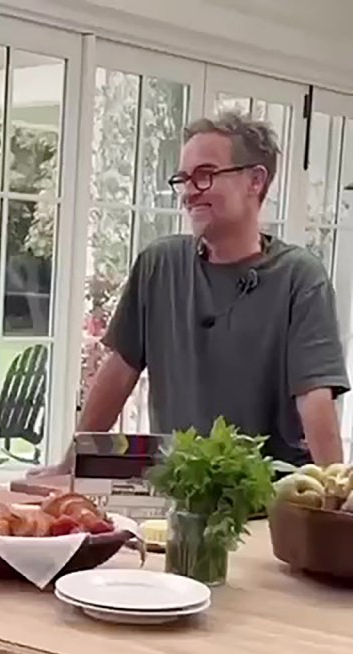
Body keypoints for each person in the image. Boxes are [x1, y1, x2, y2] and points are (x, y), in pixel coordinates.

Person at [35, 111, 349, 477]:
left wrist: (335, 497)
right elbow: (119, 373)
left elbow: (314, 399)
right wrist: (69, 466)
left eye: (205, 175)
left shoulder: (300, 277)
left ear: (255, 181)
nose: (188, 192)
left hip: (265, 498)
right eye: (183, 178)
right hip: (177, 491)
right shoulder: (160, 264)